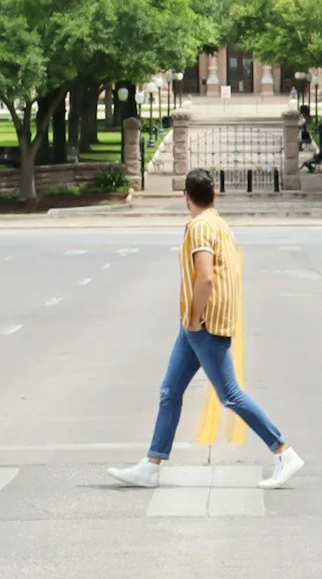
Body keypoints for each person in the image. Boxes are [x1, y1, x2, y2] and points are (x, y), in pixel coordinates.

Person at [108, 168, 303, 491]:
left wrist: (196, 317)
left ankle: (284, 451)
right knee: (170, 391)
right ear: (213, 195)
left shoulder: (199, 228)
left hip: (205, 322)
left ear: (186, 197)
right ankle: (151, 465)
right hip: (197, 324)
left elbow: (206, 277)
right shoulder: (219, 224)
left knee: (231, 396)